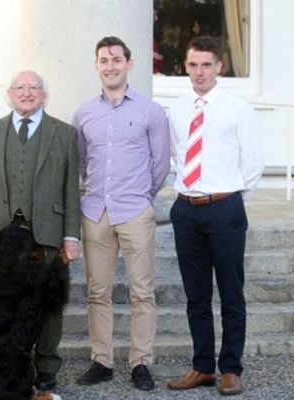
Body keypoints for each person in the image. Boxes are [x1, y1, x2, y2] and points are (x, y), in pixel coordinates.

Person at [0, 69, 80, 394]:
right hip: (0, 234)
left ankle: (45, 369)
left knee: (47, 304)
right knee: (4, 304)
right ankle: (8, 365)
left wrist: (72, 235)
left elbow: (72, 189)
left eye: (34, 88)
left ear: (43, 95)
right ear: (9, 94)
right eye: (20, 88)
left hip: (46, 232)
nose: (27, 93)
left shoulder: (64, 133)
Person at [166, 36, 264, 396]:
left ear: (220, 66)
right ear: (185, 67)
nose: (199, 72)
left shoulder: (237, 108)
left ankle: (231, 369)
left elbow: (253, 164)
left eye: (206, 64)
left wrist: (229, 200)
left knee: (231, 293)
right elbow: (177, 155)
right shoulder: (176, 109)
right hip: (186, 209)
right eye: (193, 65)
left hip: (224, 209)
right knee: (196, 296)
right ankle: (202, 366)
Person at [72, 36, 170, 391]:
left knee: (141, 291)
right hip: (95, 211)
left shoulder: (150, 111)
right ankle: (102, 360)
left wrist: (142, 197)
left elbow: (160, 165)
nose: (110, 65)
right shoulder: (84, 113)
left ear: (129, 63)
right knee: (98, 291)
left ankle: (141, 362)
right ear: (96, 66)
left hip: (134, 211)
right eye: (103, 60)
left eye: (116, 59)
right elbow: (82, 162)